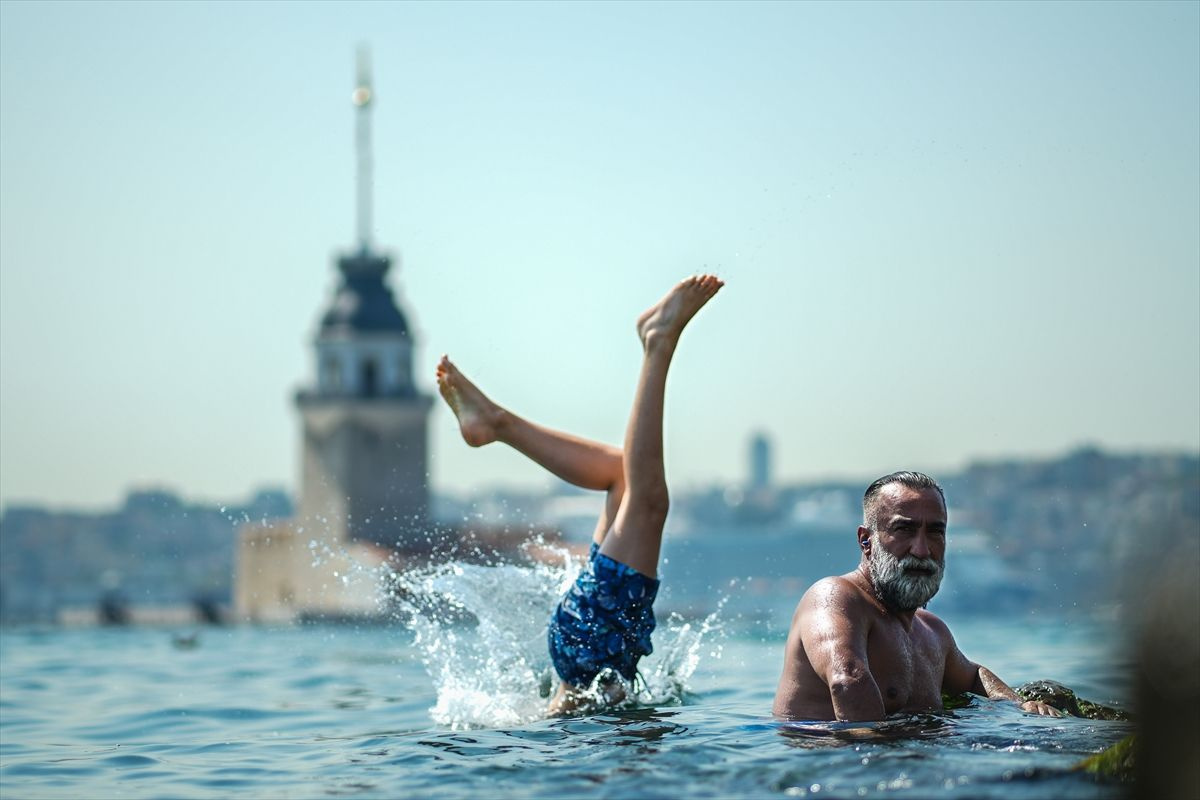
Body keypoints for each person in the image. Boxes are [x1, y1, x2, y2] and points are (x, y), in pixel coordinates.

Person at [436, 275, 724, 714]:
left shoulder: (577, 706)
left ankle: (657, 344)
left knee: (646, 498)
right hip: (587, 644)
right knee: (626, 479)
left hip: (593, 647)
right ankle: (498, 422)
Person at [773, 471, 1062, 721]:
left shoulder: (932, 631)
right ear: (866, 541)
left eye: (935, 533)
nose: (922, 550)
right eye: (904, 530)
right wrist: (882, 766)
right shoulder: (836, 598)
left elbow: (974, 677)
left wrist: (1020, 707)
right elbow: (847, 679)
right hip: (840, 773)